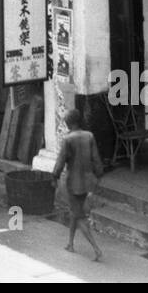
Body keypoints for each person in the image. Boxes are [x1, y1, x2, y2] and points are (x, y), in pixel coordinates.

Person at [52, 108, 105, 262]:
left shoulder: (68, 139)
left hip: (73, 182)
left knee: (79, 215)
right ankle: (70, 243)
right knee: (75, 212)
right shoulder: (89, 136)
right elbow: (96, 160)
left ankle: (96, 249)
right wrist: (99, 176)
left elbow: (61, 161)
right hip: (88, 181)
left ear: (69, 123)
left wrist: (54, 177)